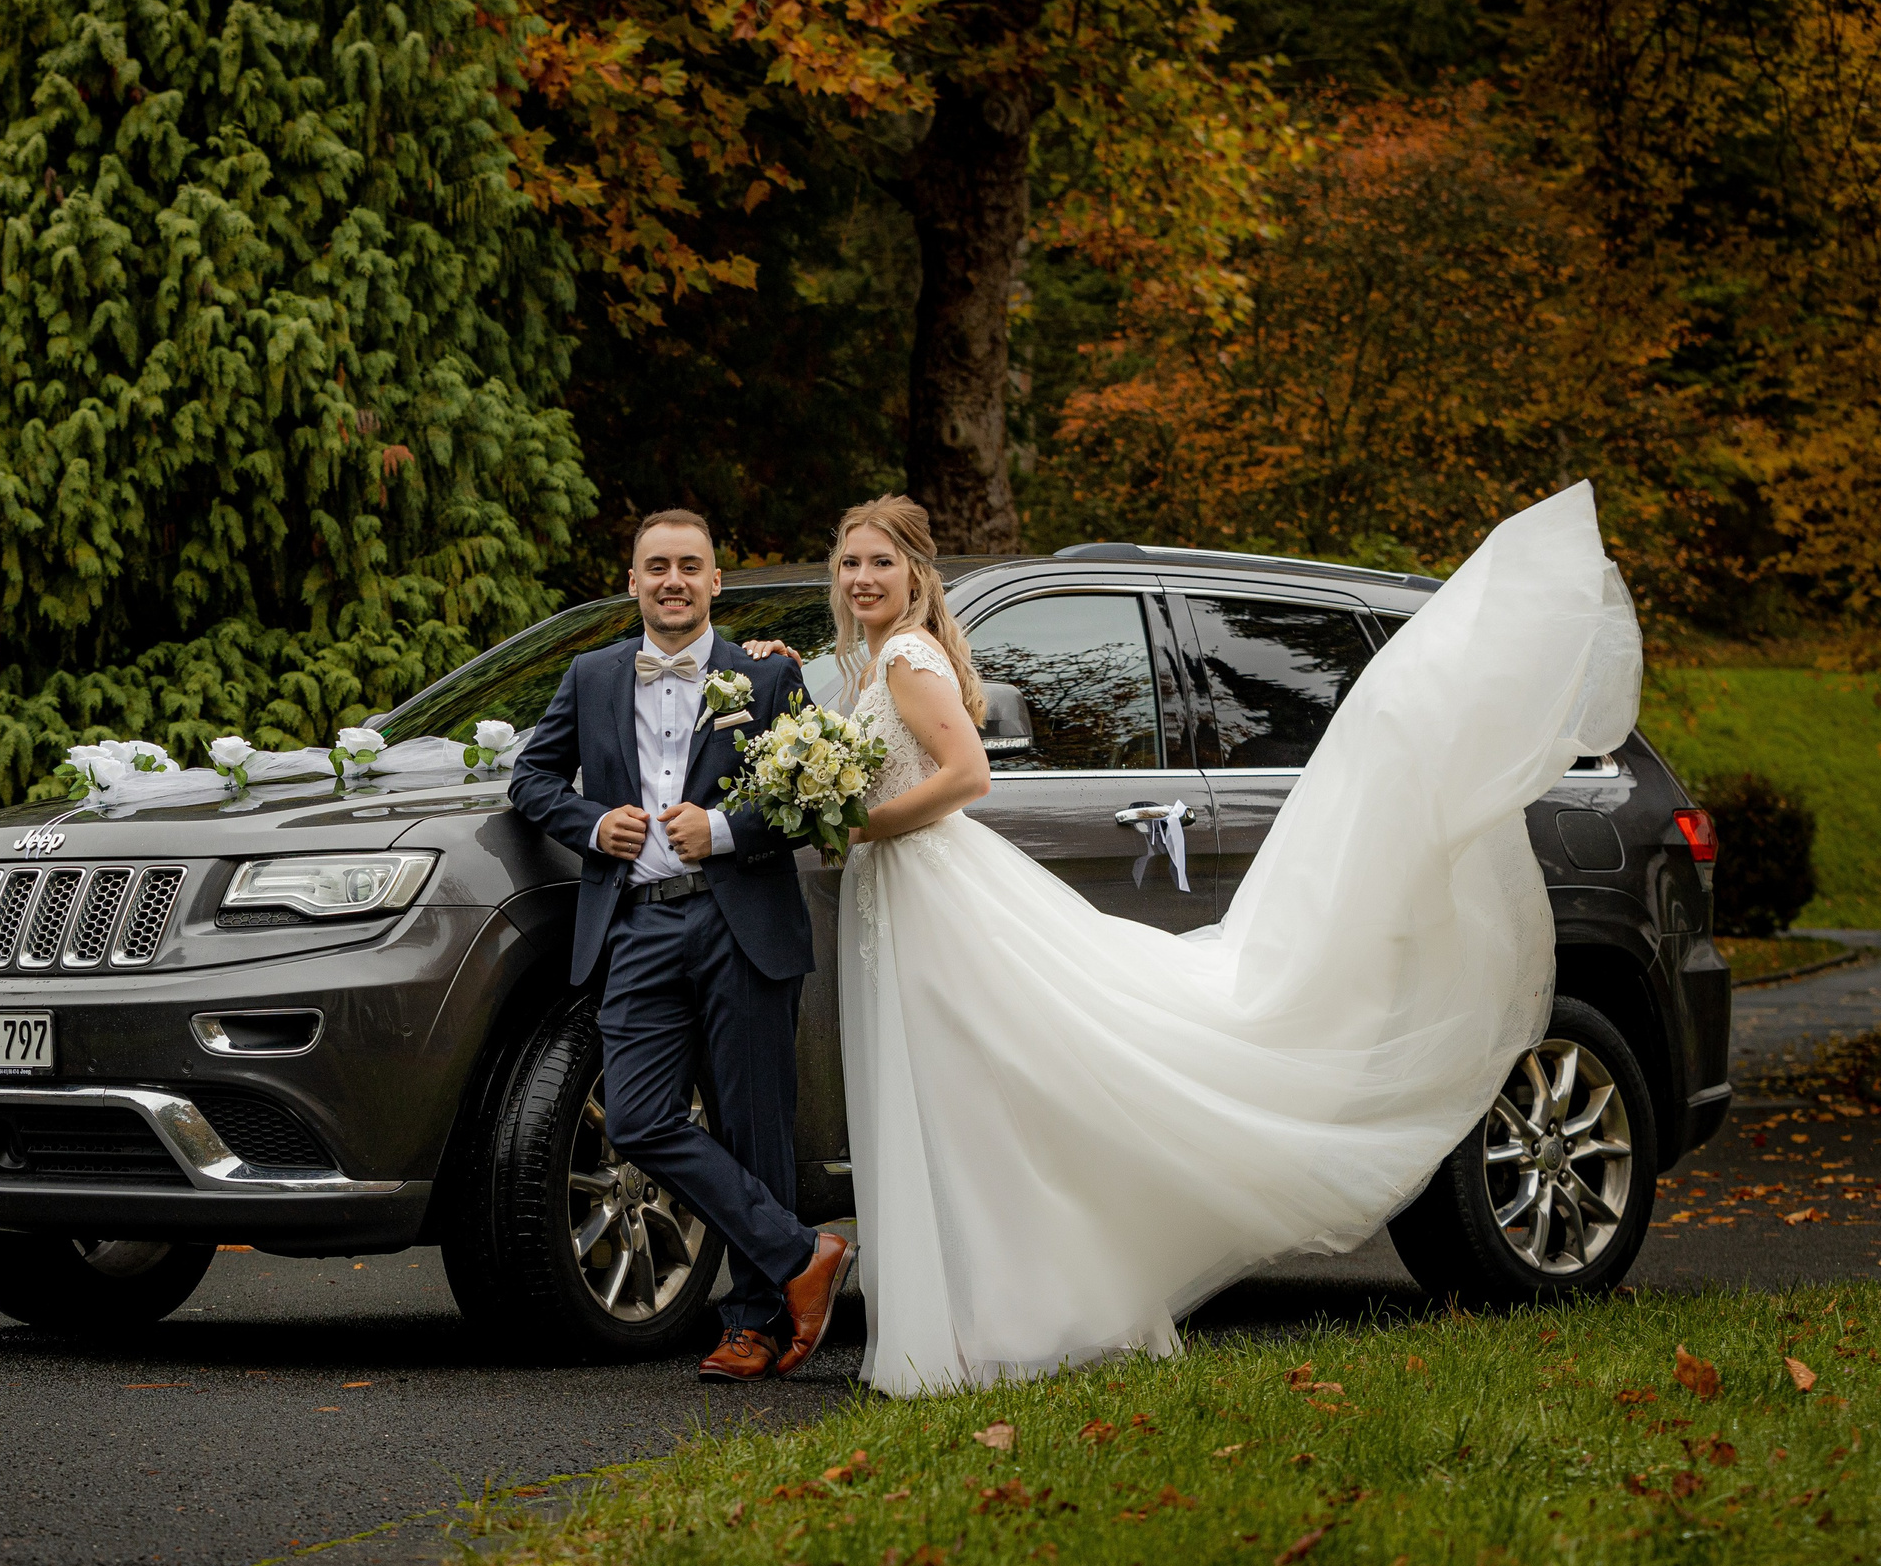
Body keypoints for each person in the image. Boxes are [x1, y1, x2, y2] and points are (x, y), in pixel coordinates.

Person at [746, 486, 1640, 1394]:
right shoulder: (873, 662)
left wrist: (861, 824)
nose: (862, 577)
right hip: (904, 894)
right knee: (966, 1102)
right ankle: (983, 1319)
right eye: (850, 562)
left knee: (985, 1100)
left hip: (931, 891)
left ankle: (1000, 1321)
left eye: (882, 561)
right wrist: (787, 687)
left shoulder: (907, 655)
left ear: (915, 572)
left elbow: (967, 773)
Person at [508, 509, 857, 1382]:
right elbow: (531, 778)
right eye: (657, 565)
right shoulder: (591, 675)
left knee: (753, 1126)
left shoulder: (768, 675)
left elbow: (813, 798)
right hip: (636, 922)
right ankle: (801, 1251)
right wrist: (594, 824)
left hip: (743, 922)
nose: (673, 580)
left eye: (690, 565)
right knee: (634, 1116)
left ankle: (754, 1324)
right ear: (633, 581)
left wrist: (725, 830)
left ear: (714, 581)